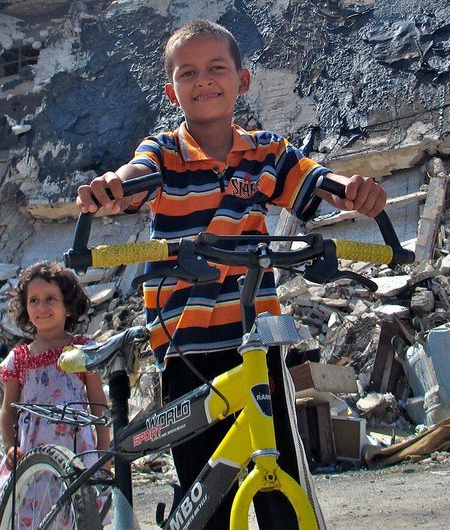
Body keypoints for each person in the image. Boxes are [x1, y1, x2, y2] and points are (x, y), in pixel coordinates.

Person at [76, 19, 386, 529]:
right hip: (185, 345)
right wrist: (113, 185)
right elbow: (134, 179)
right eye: (189, 73)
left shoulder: (266, 153)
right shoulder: (164, 154)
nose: (204, 81)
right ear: (171, 90)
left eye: (217, 68)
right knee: (206, 494)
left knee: (280, 479)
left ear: (242, 79)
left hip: (258, 339)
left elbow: (317, 182)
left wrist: (353, 190)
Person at [0, 261, 109, 529]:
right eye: (33, 300)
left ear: (68, 306)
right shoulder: (19, 358)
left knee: (78, 514)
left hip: (76, 455)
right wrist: (10, 447)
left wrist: (104, 456)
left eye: (50, 299)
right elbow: (7, 410)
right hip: (30, 458)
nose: (41, 306)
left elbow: (98, 407)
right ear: (25, 308)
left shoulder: (82, 350)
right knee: (23, 515)